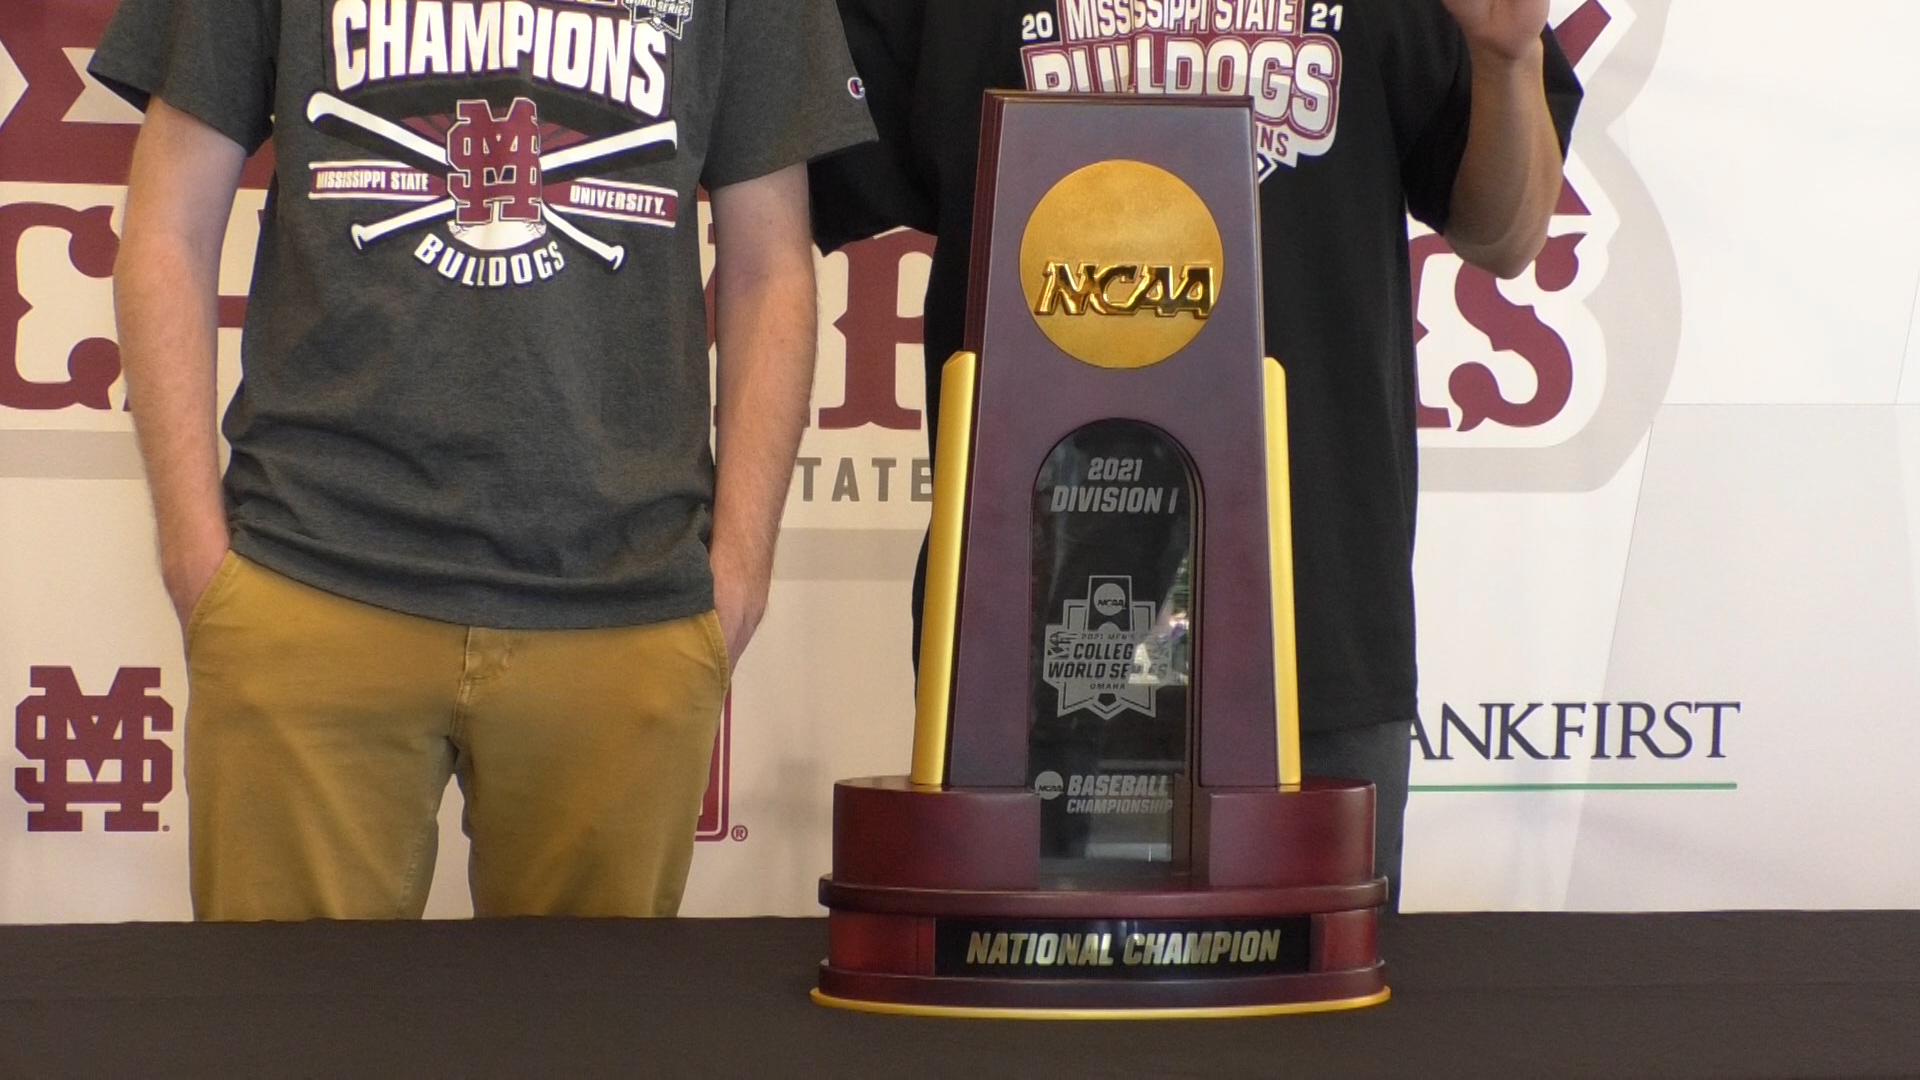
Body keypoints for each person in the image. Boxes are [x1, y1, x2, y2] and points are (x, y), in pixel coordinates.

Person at [93, 0, 873, 921]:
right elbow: (167, 227)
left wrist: (737, 572)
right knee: (285, 1037)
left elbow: (770, 268)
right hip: (312, 575)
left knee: (588, 1046)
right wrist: (197, 557)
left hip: (620, 605)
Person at [810, 0, 1581, 906]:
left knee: (1316, 1038)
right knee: (1025, 1040)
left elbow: (1504, 231)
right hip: (1022, 643)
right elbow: (783, 171)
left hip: (1314, 627)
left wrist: (1505, 57)